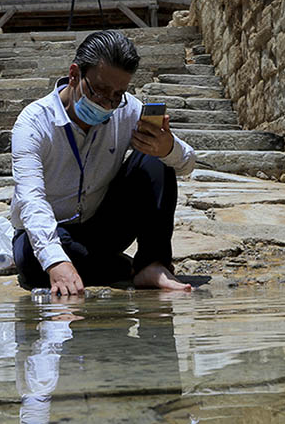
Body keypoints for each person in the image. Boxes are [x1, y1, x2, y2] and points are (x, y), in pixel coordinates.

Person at [10, 30, 200, 296]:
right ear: (75, 75)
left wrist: (168, 148)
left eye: (117, 94)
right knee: (34, 260)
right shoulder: (32, 123)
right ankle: (117, 267)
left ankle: (151, 264)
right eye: (99, 91)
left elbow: (187, 163)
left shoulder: (126, 108)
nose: (107, 104)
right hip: (54, 229)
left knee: (155, 159)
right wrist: (55, 261)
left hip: (102, 226)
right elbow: (31, 200)